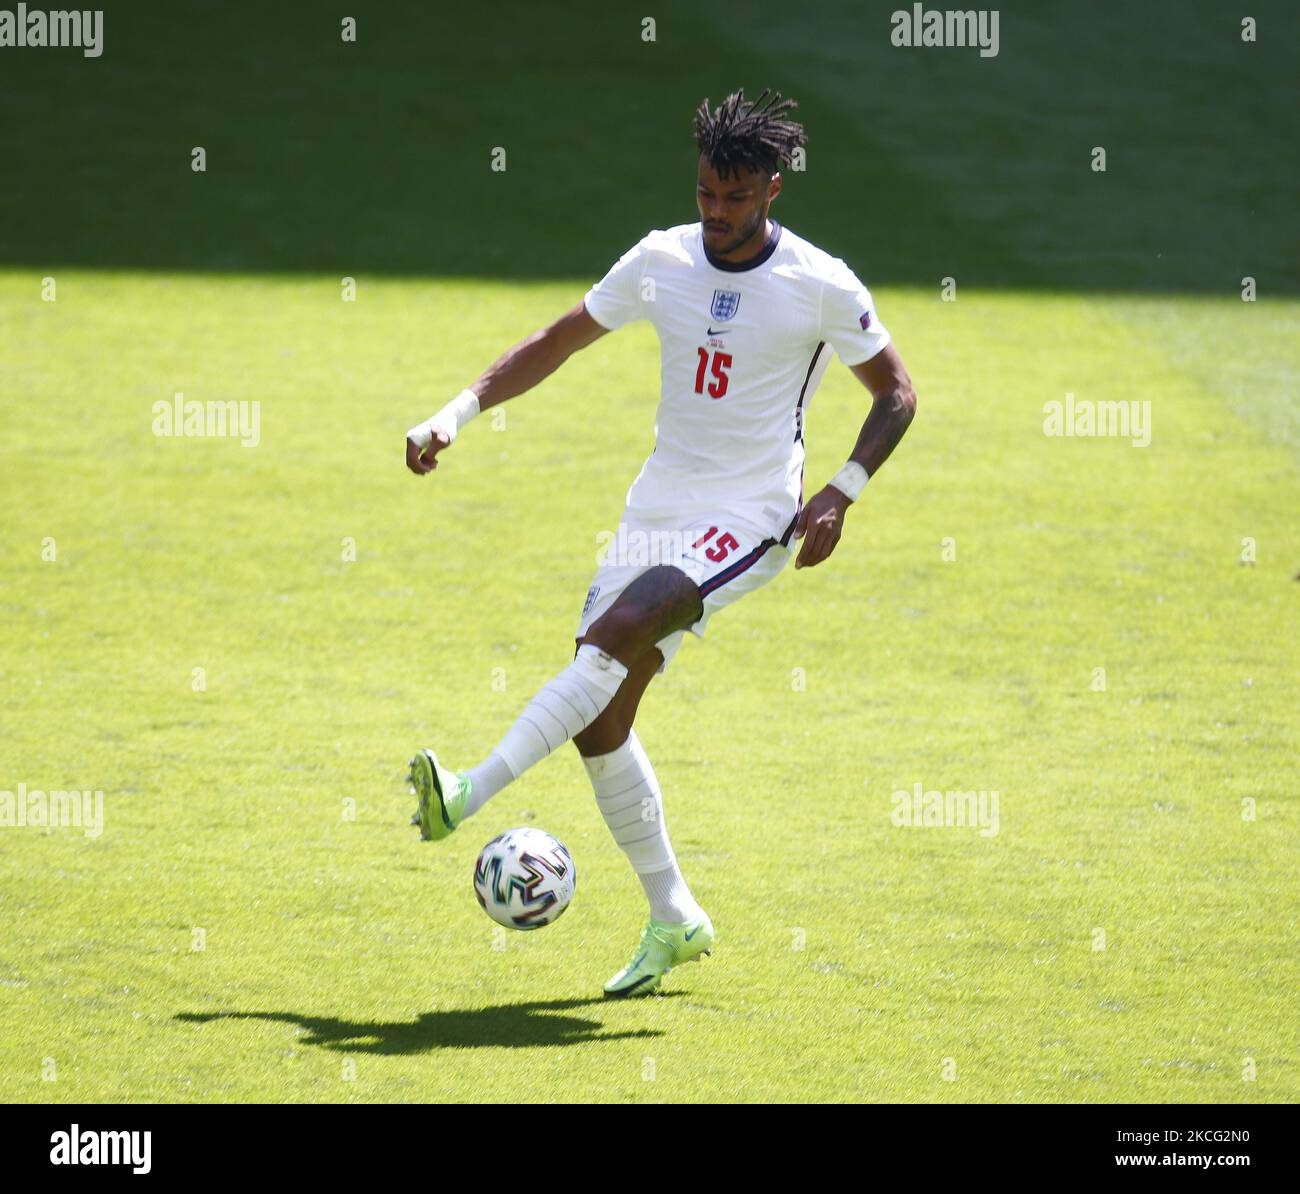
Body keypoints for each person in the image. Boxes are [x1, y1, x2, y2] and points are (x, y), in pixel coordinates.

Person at [404, 88, 917, 997]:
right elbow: (560, 339)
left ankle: (468, 792)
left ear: (773, 190)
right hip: (657, 505)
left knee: (613, 637)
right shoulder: (661, 259)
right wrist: (457, 413)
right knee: (601, 716)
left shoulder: (822, 284)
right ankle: (676, 917)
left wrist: (842, 492)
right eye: (705, 196)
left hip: (753, 513)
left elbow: (896, 393)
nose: (716, 215)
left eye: (734, 197)